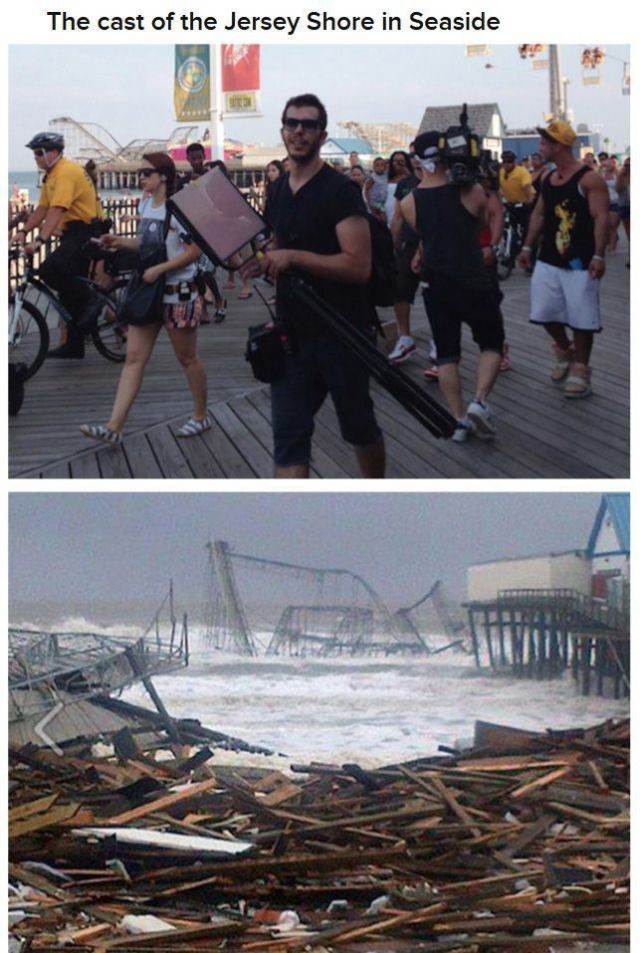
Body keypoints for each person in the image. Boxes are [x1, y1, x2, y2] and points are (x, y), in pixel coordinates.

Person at [254, 92, 385, 478]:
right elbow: (278, 245)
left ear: (322, 135)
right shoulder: (276, 191)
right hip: (290, 335)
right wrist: (264, 257)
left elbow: (358, 266)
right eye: (292, 123)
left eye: (308, 125)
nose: (299, 131)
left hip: (342, 333)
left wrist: (292, 257)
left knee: (359, 430)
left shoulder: (340, 191)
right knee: (289, 442)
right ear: (282, 131)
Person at [79, 152, 209, 445]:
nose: (141, 177)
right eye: (139, 172)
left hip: (178, 290)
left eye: (146, 172)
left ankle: (201, 415)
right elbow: (147, 243)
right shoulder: (146, 204)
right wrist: (119, 241)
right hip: (150, 291)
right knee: (134, 359)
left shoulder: (178, 209)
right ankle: (114, 426)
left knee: (187, 358)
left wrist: (159, 269)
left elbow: (193, 252)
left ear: (163, 175)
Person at [400, 132, 505, 442]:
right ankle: (479, 401)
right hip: (473, 278)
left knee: (446, 354)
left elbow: (424, 234)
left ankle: (459, 420)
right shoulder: (472, 191)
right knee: (491, 343)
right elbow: (481, 225)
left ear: (417, 161)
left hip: (435, 283)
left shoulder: (408, 202)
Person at [517, 120, 609, 398]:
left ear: (558, 146)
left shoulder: (589, 179)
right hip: (548, 258)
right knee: (543, 312)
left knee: (582, 318)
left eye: (544, 143)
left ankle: (581, 369)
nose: (539, 147)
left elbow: (601, 218)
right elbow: (539, 214)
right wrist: (527, 247)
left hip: (579, 261)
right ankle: (564, 349)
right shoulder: (547, 178)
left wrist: (598, 255)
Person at [16, 131, 104, 358]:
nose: (35, 157)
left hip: (85, 232)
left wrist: (40, 240)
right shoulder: (52, 175)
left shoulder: (66, 172)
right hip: (71, 233)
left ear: (53, 152)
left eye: (38, 153)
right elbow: (43, 208)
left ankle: (91, 298)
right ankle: (74, 346)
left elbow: (58, 209)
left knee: (49, 269)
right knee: (66, 294)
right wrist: (24, 231)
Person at [179, 143, 226, 321]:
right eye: (193, 158)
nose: (197, 161)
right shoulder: (183, 182)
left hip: (211, 230)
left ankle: (219, 301)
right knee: (196, 272)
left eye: (199, 157)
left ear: (204, 157)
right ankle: (204, 308)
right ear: (188, 160)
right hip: (192, 232)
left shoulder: (212, 179)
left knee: (206, 270)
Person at [387, 144, 422, 364]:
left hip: (433, 246)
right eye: (414, 155)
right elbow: (398, 216)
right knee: (400, 291)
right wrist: (391, 244)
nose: (416, 159)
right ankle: (405, 337)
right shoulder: (405, 185)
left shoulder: (441, 182)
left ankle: (440, 341)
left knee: (435, 294)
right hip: (408, 244)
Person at [499, 150, 534, 259]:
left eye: (509, 161)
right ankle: (511, 252)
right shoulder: (501, 171)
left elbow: (527, 187)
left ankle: (529, 254)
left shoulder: (522, 171)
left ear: (514, 162)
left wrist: (529, 201)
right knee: (507, 227)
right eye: (504, 161)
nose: (506, 164)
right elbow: (500, 186)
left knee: (527, 229)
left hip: (525, 202)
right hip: (510, 203)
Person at [616, 157, 630, 267]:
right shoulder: (622, 176)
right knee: (629, 234)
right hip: (625, 205)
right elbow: (618, 189)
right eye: (626, 165)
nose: (628, 167)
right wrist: (621, 176)